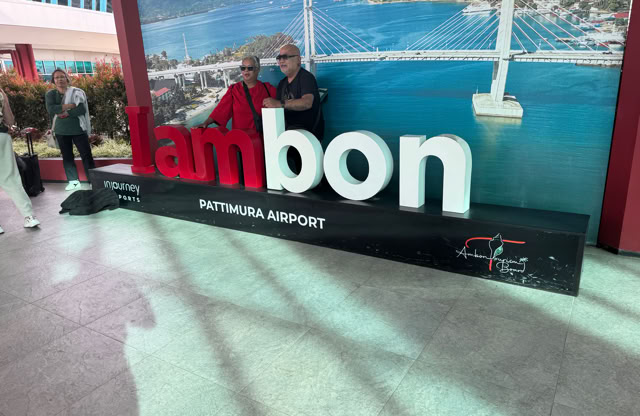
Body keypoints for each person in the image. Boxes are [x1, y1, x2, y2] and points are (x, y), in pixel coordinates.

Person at [194, 56, 276, 133]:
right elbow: (220, 110)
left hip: (263, 140)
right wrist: (206, 123)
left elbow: (281, 105)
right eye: (243, 68)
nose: (246, 70)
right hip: (240, 139)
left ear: (257, 70)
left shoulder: (268, 89)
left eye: (250, 68)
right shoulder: (234, 90)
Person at [45, 68, 96, 191]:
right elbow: (51, 109)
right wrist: (68, 106)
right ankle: (73, 182)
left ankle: (93, 181)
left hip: (78, 129)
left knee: (86, 155)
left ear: (67, 79)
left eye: (62, 77)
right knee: (67, 157)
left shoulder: (76, 92)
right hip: (61, 130)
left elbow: (81, 109)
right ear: (53, 80)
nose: (60, 79)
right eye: (57, 77)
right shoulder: (51, 94)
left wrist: (66, 113)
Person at [262, 44, 324, 141]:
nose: (281, 61)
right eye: (279, 58)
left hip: (308, 138)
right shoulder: (282, 84)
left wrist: (280, 103)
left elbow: (307, 103)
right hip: (288, 138)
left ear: (298, 60)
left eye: (285, 57)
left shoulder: (306, 78)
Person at [0, 88, 40, 233]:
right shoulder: (0, 93)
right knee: (11, 178)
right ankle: (29, 216)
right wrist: (5, 100)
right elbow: (10, 120)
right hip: (2, 137)